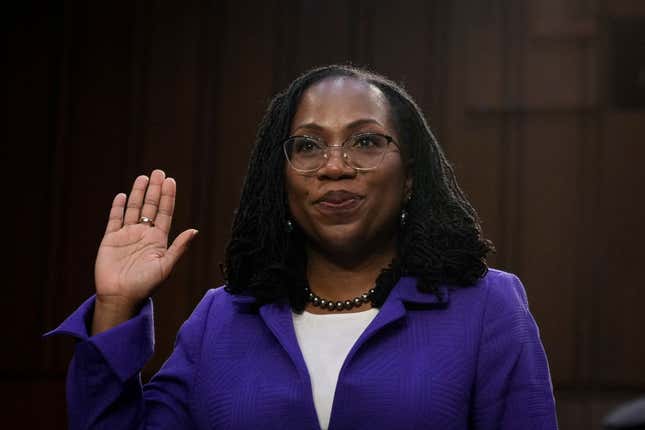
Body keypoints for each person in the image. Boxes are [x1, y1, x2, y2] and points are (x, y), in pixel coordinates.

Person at [47, 65, 558, 429]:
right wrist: (116, 305)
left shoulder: (487, 307)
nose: (334, 166)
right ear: (283, 181)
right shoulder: (220, 320)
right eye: (309, 146)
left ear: (410, 179)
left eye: (366, 141)